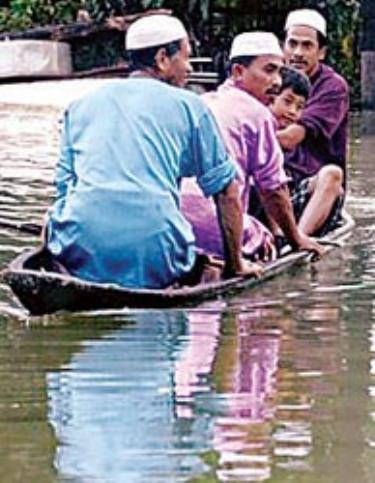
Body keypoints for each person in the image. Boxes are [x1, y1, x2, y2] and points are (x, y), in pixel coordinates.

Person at [44, 14, 261, 289]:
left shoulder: (80, 105)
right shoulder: (191, 106)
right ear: (162, 59)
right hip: (157, 253)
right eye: (186, 57)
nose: (190, 68)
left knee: (52, 224)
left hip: (80, 249)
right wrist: (235, 264)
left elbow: (65, 189)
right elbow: (227, 192)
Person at [182, 32, 323, 259]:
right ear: (238, 71)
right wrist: (297, 239)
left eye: (279, 71)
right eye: (269, 70)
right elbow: (273, 189)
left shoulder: (202, 102)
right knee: (264, 241)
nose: (277, 81)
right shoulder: (258, 114)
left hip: (174, 223)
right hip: (215, 223)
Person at [278, 8, 349, 236]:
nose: (297, 53)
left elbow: (290, 139)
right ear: (283, 47)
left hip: (309, 185)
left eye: (307, 46)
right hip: (274, 181)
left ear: (321, 52)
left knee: (331, 174)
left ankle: (296, 240)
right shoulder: (272, 79)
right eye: (292, 44)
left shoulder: (333, 87)